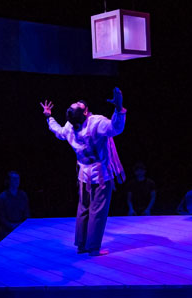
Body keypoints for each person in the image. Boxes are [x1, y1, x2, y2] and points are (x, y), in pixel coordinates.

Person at [40, 87, 126, 256]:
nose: (79, 101)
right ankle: (93, 248)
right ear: (86, 112)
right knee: (98, 211)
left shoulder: (70, 127)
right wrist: (119, 109)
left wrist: (49, 117)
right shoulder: (96, 122)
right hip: (101, 174)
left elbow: (58, 132)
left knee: (84, 208)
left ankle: (81, 245)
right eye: (78, 104)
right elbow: (115, 128)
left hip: (83, 175)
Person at [0, 171, 31, 237]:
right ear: (9, 181)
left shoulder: (23, 195)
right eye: (14, 179)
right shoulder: (3, 197)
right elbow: (1, 216)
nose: (17, 181)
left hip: (21, 226)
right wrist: (11, 225)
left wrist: (23, 224)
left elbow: (27, 212)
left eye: (18, 179)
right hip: (7, 229)